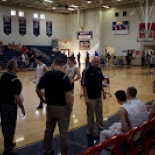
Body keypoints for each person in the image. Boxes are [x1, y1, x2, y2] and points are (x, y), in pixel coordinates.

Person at [36, 57, 73, 155]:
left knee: (49, 129)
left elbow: (37, 89)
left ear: (53, 64)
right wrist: (70, 106)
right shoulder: (64, 77)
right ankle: (64, 152)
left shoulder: (46, 75)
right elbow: (67, 95)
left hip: (50, 107)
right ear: (62, 65)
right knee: (63, 132)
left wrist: (42, 100)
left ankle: (47, 149)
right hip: (62, 108)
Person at [0, 59, 25, 155]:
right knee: (10, 127)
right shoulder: (15, 80)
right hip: (10, 106)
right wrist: (22, 108)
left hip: (1, 105)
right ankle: (7, 150)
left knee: (5, 126)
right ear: (15, 67)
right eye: (17, 65)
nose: (18, 66)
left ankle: (8, 143)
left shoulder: (3, 76)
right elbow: (16, 97)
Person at [82, 56, 106, 137]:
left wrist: (104, 92)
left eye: (97, 62)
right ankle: (90, 131)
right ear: (91, 61)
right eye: (95, 62)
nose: (96, 64)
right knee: (90, 115)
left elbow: (100, 82)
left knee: (99, 113)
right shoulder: (86, 71)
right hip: (90, 97)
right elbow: (84, 85)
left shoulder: (99, 69)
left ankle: (101, 128)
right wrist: (86, 98)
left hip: (98, 96)